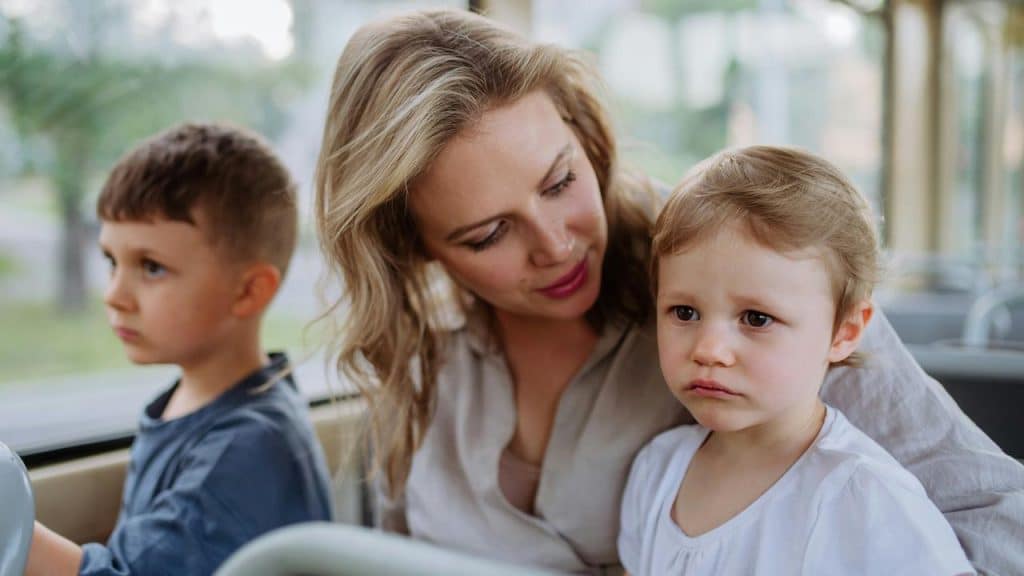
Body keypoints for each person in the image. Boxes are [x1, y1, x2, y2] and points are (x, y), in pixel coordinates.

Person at [313, 8, 1024, 574]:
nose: (556, 245)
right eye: (487, 234)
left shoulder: (743, 270)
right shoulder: (421, 361)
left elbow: (990, 514)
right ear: (412, 246)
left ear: (586, 137)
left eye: (561, 182)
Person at [617, 146, 973, 575]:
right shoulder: (656, 471)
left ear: (845, 331)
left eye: (756, 318)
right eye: (684, 312)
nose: (708, 349)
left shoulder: (866, 497)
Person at [25, 123, 334, 576]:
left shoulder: (247, 449)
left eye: (151, 267)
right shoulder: (200, 402)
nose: (114, 294)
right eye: (112, 261)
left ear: (248, 292)